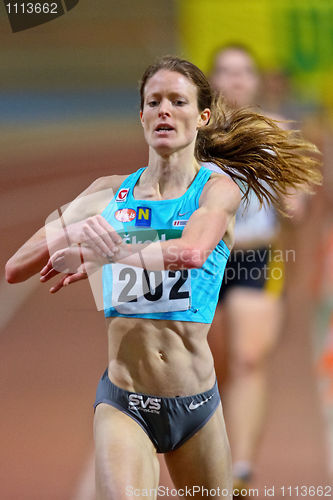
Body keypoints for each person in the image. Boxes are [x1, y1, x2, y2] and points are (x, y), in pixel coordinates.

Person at [5, 56, 321, 500]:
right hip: (125, 401)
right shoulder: (106, 194)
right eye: (154, 102)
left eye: (177, 101)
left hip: (196, 405)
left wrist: (113, 249)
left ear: (202, 116)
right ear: (141, 116)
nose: (164, 111)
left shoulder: (216, 190)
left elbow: (190, 253)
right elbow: (15, 268)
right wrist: (72, 229)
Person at [207, 44, 306, 493]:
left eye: (244, 70)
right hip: (204, 260)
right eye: (225, 71)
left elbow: (298, 203)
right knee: (213, 367)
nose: (236, 79)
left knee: (250, 358)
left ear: (257, 80)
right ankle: (210, 451)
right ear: (210, 81)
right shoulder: (193, 136)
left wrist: (293, 195)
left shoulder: (279, 132)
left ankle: (240, 471)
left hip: (257, 257)